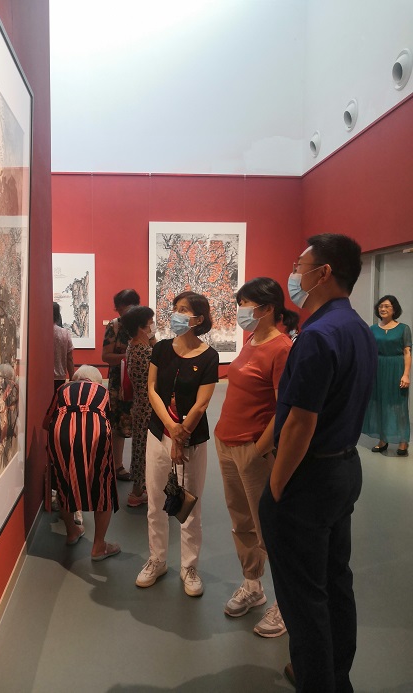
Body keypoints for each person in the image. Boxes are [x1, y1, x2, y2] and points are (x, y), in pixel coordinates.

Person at [259, 234, 377, 692]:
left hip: (309, 478)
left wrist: (276, 488)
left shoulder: (317, 336)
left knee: (303, 596)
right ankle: (335, 676)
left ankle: (316, 680)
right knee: (335, 580)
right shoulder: (358, 328)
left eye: (299, 264)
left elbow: (299, 424)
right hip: (344, 469)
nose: (294, 272)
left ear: (323, 272)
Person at [214, 278, 293, 637]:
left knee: (270, 528)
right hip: (227, 443)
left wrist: (260, 449)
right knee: (241, 520)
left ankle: (287, 604)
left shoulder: (282, 348)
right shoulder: (251, 341)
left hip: (253, 449)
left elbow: (285, 408)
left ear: (268, 308)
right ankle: (253, 585)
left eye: (246, 304)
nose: (241, 311)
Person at [136, 291, 219, 597]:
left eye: (184, 310)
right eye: (175, 308)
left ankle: (189, 566)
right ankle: (157, 560)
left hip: (193, 438)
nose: (176, 314)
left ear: (198, 318)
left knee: (190, 504)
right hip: (159, 433)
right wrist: (171, 428)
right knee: (156, 501)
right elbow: (152, 389)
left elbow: (202, 403)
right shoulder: (160, 349)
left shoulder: (209, 356)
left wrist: (181, 435)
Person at [44, 365, 120, 560]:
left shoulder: (62, 389)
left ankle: (72, 532)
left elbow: (46, 422)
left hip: (61, 432)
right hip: (96, 430)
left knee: (64, 480)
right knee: (102, 484)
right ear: (96, 381)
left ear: (76, 379)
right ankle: (99, 546)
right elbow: (109, 420)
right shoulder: (102, 391)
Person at [362, 295, 411, 456]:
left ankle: (403, 441)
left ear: (394, 309)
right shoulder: (372, 329)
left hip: (396, 368)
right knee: (379, 403)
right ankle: (382, 440)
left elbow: (407, 353)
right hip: (378, 368)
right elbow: (369, 351)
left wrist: (406, 375)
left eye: (387, 306)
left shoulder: (403, 329)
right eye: (381, 306)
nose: (383, 309)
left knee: (398, 405)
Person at [102, 289, 141, 481]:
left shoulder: (145, 324)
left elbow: (155, 348)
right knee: (118, 423)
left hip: (142, 382)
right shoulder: (115, 326)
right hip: (119, 384)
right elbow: (106, 356)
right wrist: (128, 357)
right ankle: (117, 466)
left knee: (142, 423)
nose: (122, 313)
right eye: (119, 310)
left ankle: (141, 467)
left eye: (124, 309)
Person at [120, 305, 156, 507]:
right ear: (141, 328)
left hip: (140, 404)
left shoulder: (132, 347)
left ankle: (138, 489)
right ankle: (139, 490)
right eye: (150, 323)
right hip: (149, 405)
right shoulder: (145, 352)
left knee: (140, 445)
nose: (153, 326)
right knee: (146, 448)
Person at [53, 302, 74, 391]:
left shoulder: (41, 332)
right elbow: (69, 358)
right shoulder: (65, 333)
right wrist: (72, 377)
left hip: (43, 376)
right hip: (60, 377)